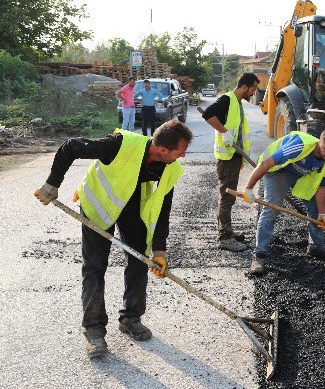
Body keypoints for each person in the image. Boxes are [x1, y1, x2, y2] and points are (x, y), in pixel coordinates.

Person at [33, 119, 193, 359]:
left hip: (130, 206)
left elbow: (162, 210)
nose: (182, 157)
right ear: (162, 150)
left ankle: (131, 318)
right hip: (99, 204)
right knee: (95, 267)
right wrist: (52, 184)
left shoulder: (170, 167)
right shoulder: (120, 144)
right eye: (180, 152)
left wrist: (159, 250)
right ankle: (94, 331)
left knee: (139, 259)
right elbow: (71, 147)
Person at [243, 128, 325, 275]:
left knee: (315, 209)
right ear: (318, 142)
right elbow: (266, 164)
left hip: (301, 174)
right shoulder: (299, 145)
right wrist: (248, 188)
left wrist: (323, 214)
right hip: (278, 170)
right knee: (272, 208)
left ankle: (316, 246)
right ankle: (259, 256)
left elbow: (320, 188)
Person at [202, 72, 259, 252]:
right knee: (226, 198)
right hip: (226, 158)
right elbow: (209, 115)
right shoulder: (227, 100)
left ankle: (227, 231)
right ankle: (224, 237)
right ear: (244, 87)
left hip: (234, 157)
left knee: (229, 198)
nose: (253, 93)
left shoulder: (237, 103)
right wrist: (224, 131)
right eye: (253, 89)